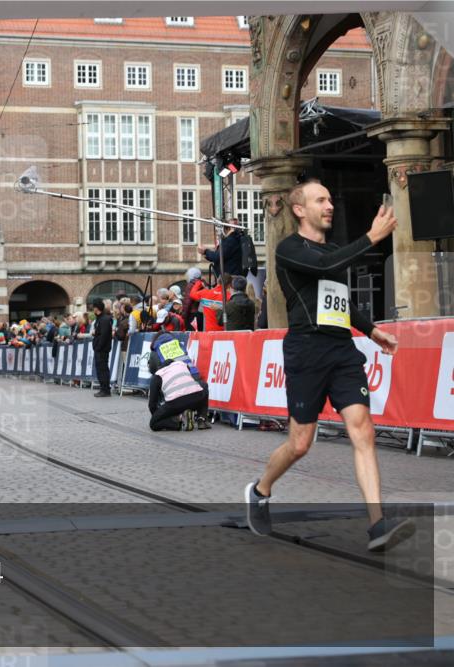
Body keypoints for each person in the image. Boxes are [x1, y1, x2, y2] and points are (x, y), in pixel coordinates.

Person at [245, 179, 412, 553]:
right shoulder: (289, 249)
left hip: (341, 351)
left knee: (363, 430)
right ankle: (260, 489)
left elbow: (339, 299)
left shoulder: (335, 251)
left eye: (330, 199)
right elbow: (325, 265)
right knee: (300, 443)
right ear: (299, 209)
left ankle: (377, 524)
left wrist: (371, 331)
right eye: (320, 200)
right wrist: (371, 238)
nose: (330, 205)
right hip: (306, 352)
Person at [147, 330, 210, 431]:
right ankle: (201, 419)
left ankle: (176, 420)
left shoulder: (155, 352)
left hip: (174, 398)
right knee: (204, 386)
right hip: (194, 383)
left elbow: (152, 371)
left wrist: (159, 416)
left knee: (162, 390)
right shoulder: (179, 345)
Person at [90, 298, 113, 397]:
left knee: (103, 369)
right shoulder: (99, 319)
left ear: (96, 308)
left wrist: (98, 347)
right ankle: (103, 388)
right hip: (99, 348)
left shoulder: (105, 319)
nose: (92, 309)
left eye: (93, 307)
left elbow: (104, 335)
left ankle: (105, 389)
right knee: (100, 369)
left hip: (102, 349)